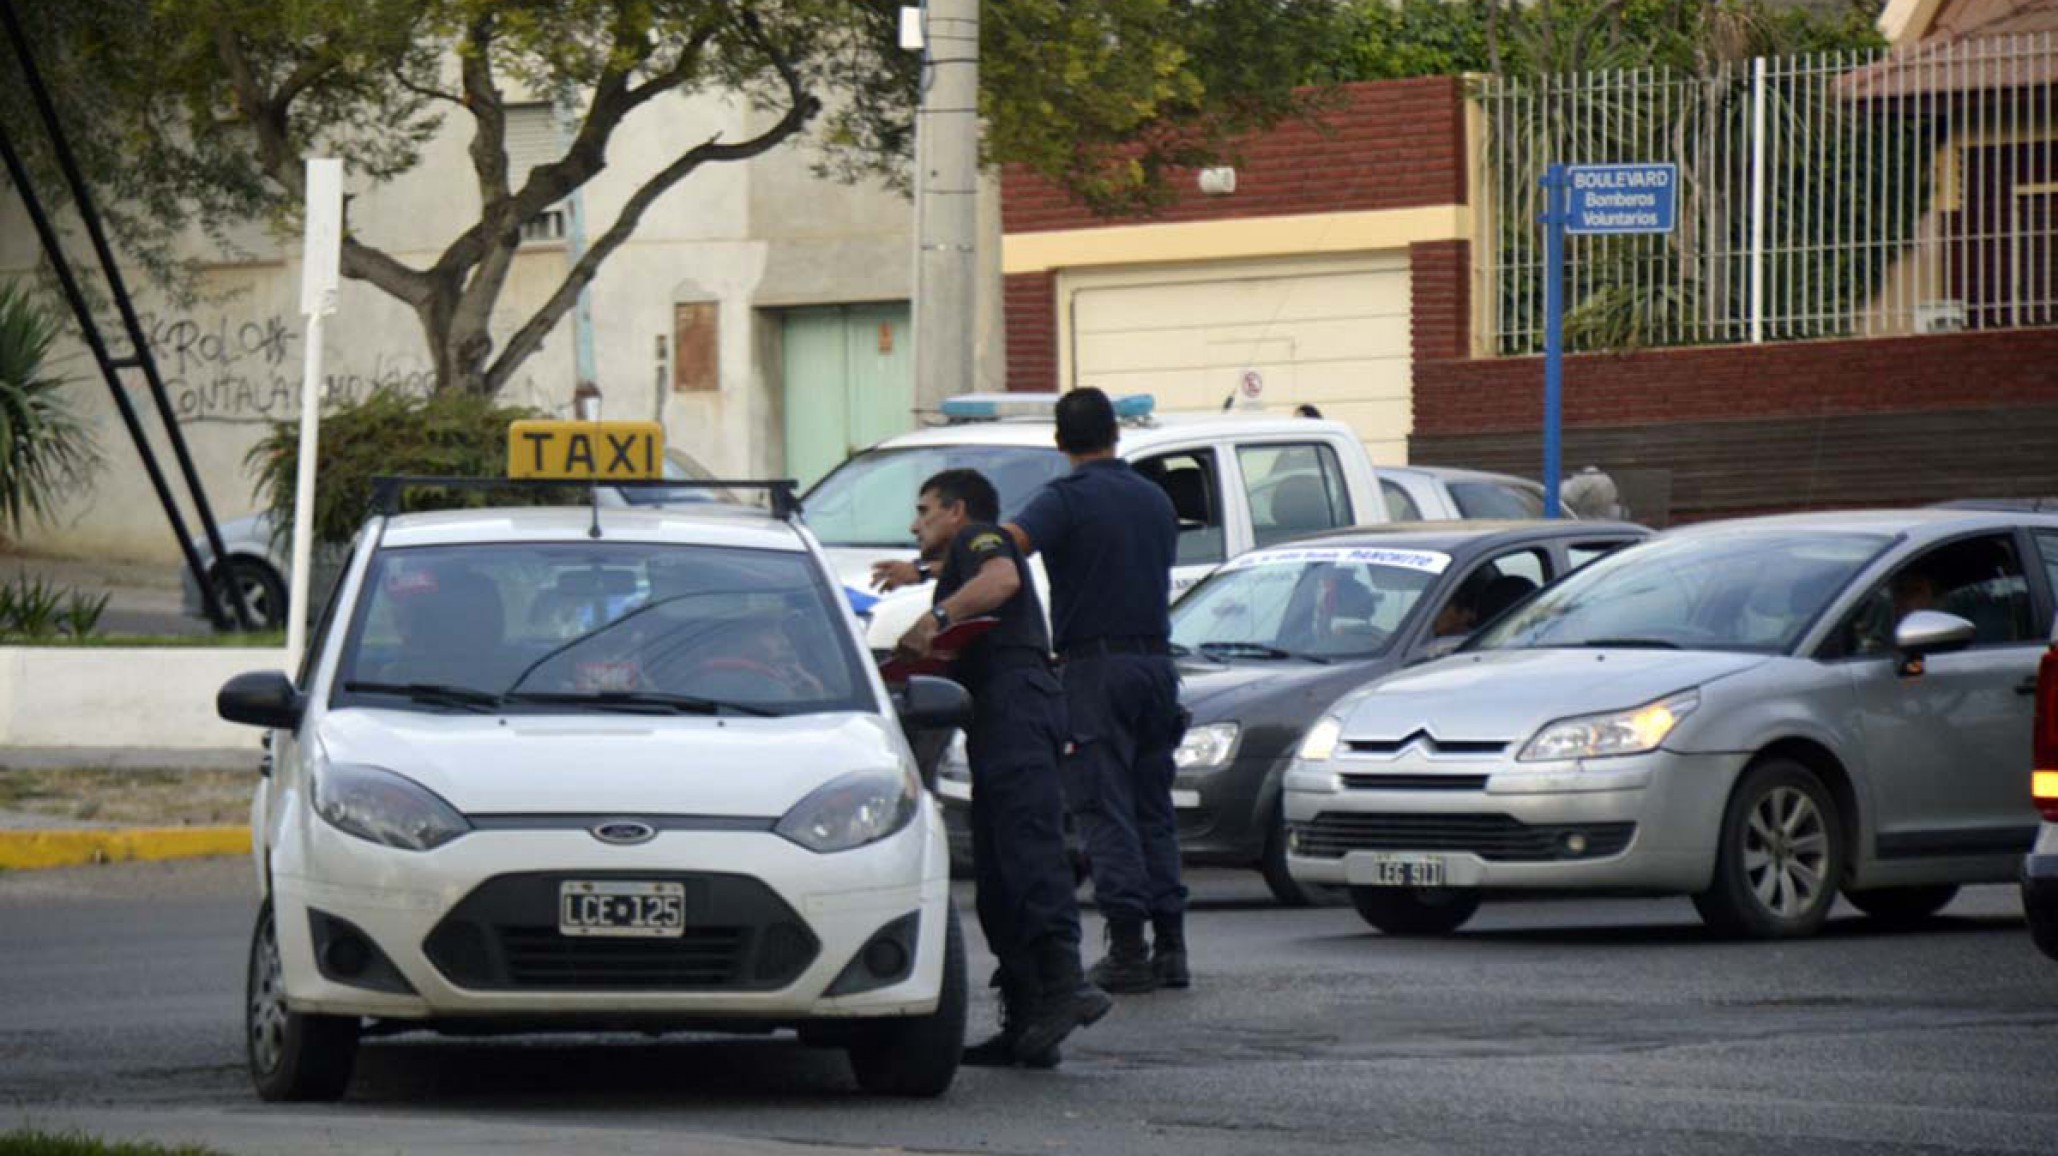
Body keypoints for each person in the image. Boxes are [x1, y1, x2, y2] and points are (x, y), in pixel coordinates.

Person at [873, 469, 1112, 1067]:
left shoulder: (983, 537)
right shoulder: (958, 557)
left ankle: (1067, 985)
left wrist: (936, 619)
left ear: (957, 511)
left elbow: (1001, 577)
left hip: (1018, 708)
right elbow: (962, 576)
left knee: (1029, 850)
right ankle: (1030, 1018)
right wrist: (919, 580)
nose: (915, 523)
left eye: (924, 510)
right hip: (996, 715)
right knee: (1000, 874)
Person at [1001, 387, 1189, 995]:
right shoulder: (1154, 498)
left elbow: (1008, 546)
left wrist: (933, 563)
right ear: (1116, 432)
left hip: (1094, 670)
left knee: (1104, 809)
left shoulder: (1066, 499)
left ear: (1060, 441)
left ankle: (1128, 948)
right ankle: (1173, 948)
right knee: (1153, 808)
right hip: (1156, 664)